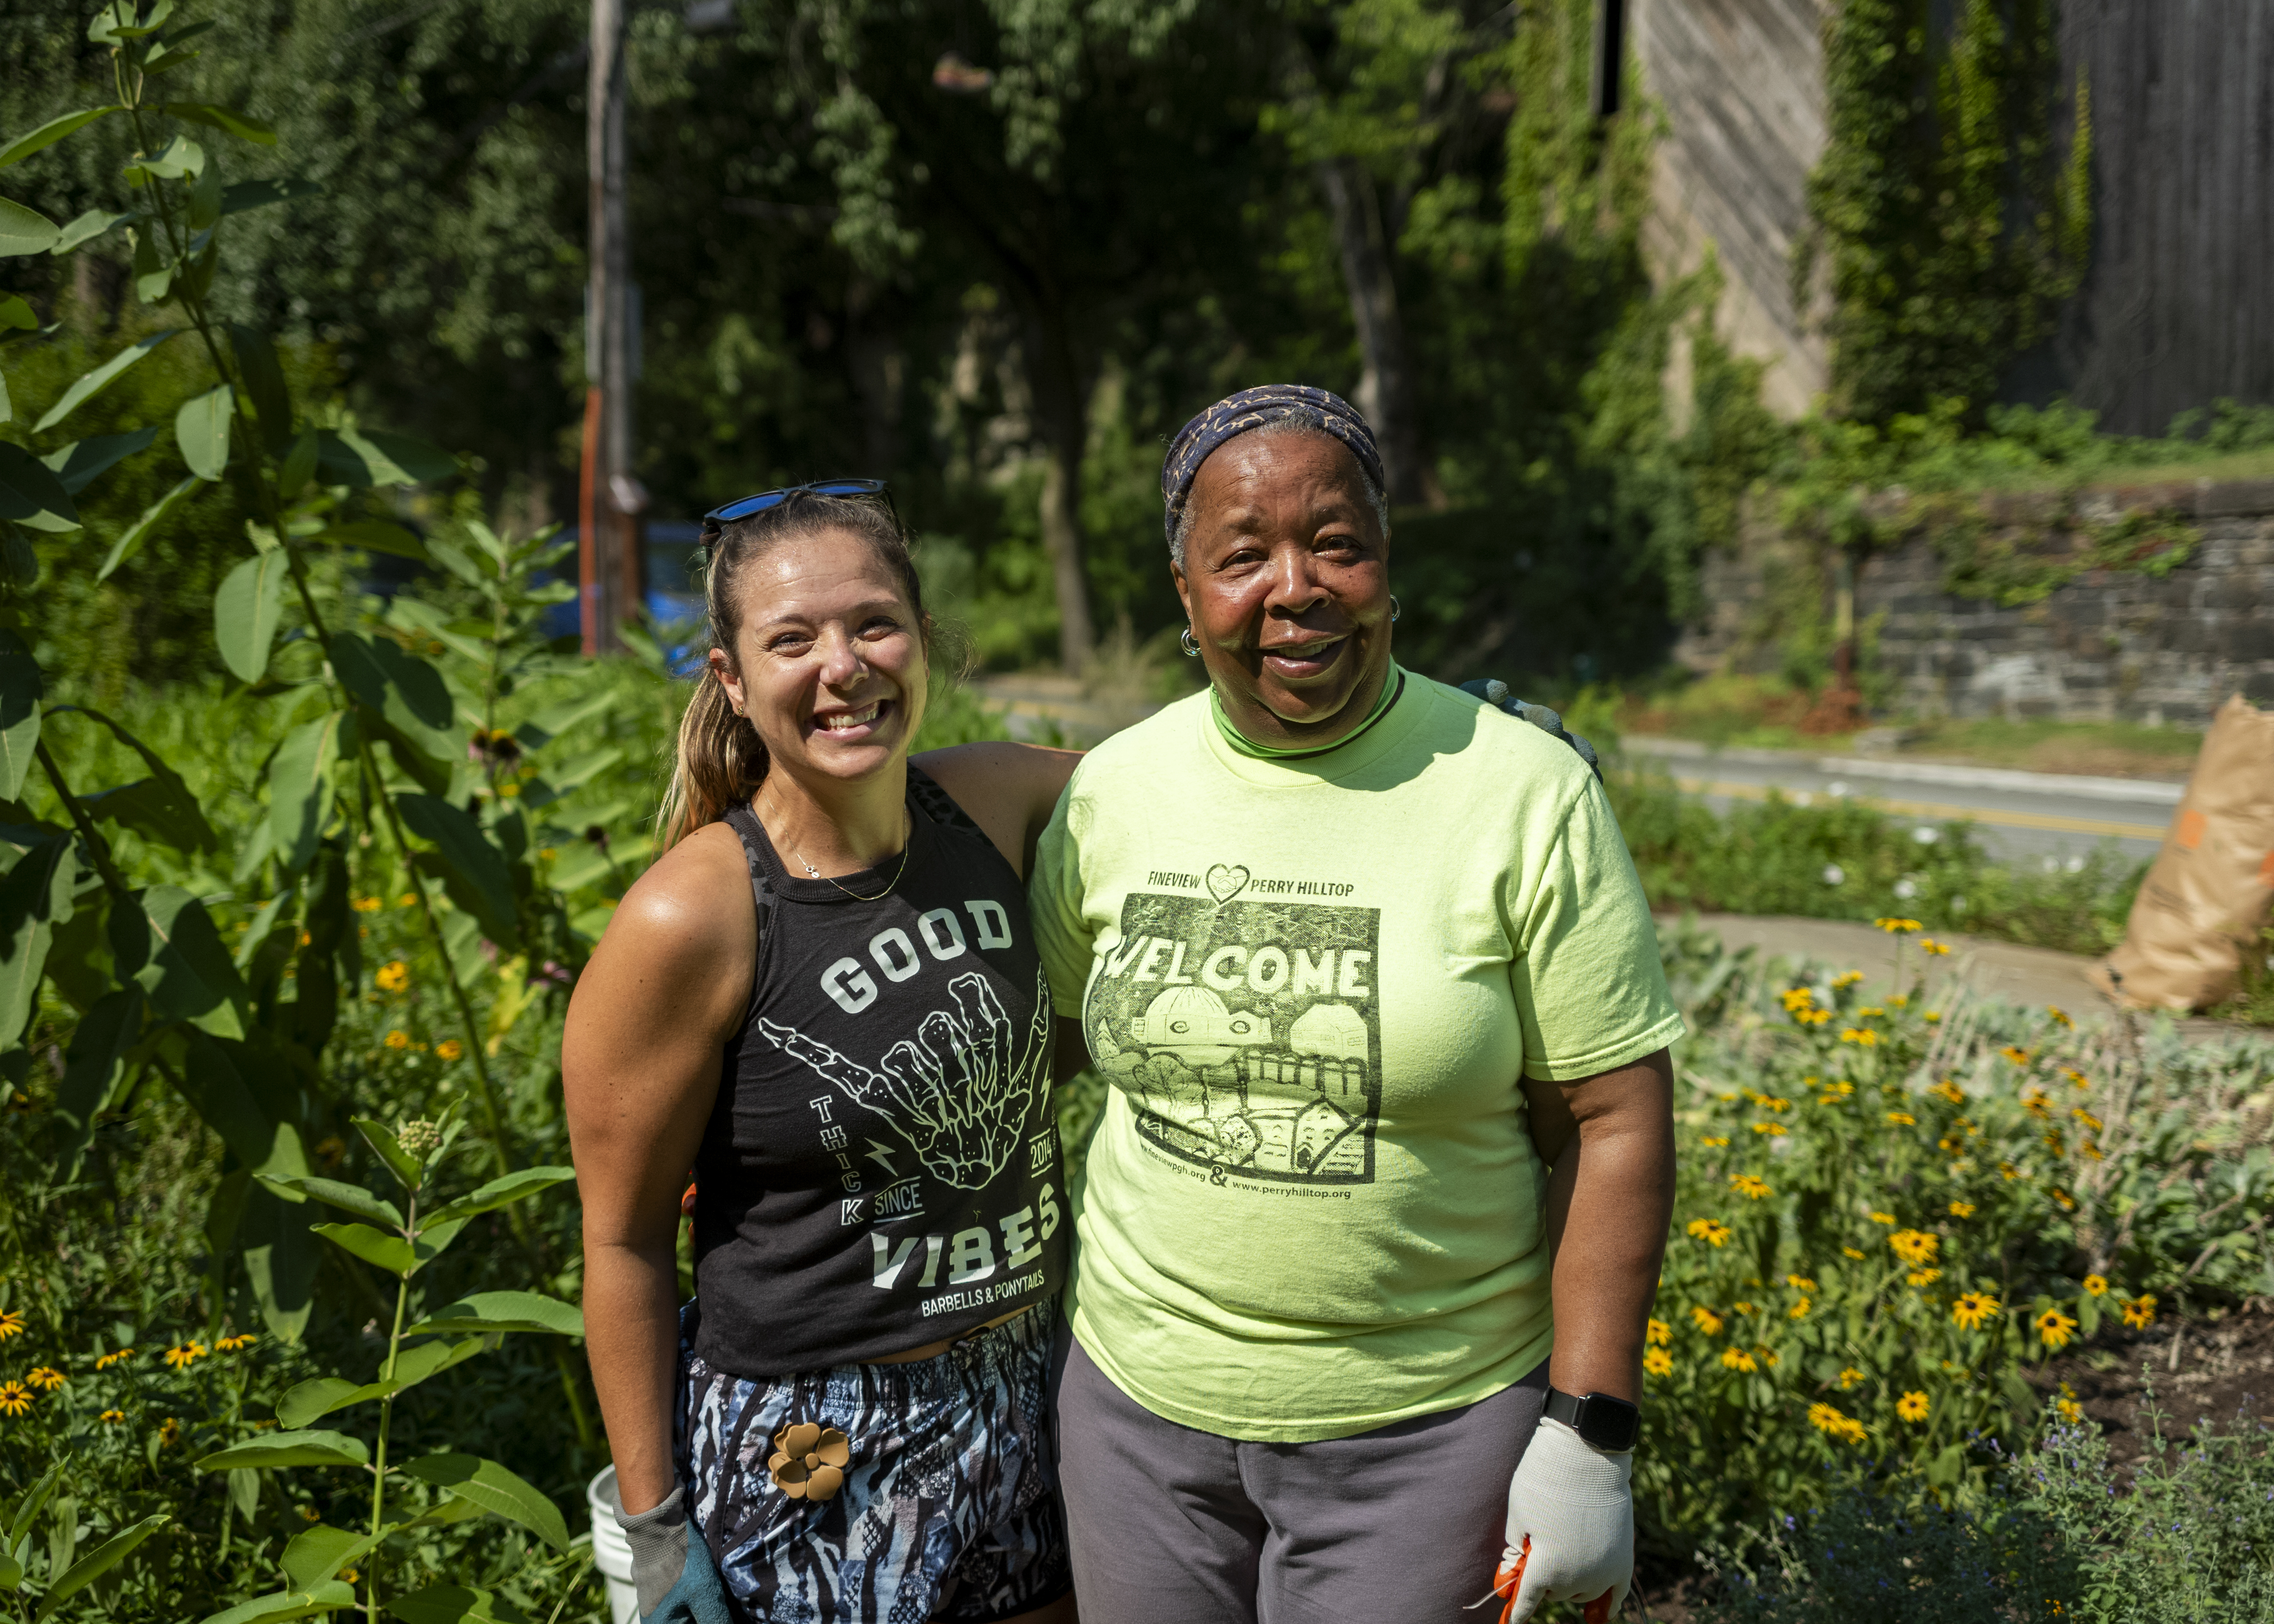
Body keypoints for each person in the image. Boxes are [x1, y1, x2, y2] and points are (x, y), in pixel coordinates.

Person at [1025, 385, 1683, 1624]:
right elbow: (1049, 1053)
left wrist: (1591, 1430)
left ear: (1387, 566)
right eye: (1242, 556)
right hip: (1133, 1423)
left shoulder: (1525, 791)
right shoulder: (1115, 792)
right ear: (1184, 591)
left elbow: (1617, 1116)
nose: (1296, 588)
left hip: (1429, 1435)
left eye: (1337, 542)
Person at [562, 482, 1084, 1624]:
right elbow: (624, 1237)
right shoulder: (693, 918)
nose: (843, 667)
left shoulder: (989, 805)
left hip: (1026, 1394)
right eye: (791, 640)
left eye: (873, 624)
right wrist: (651, 1535)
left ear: (923, 640)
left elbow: (1192, 786)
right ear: (732, 681)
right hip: (818, 1448)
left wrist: (1412, 753)